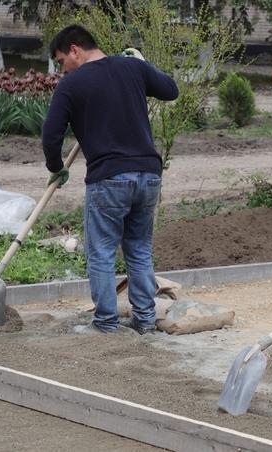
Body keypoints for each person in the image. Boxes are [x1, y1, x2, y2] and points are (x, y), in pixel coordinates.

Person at [42, 25, 179, 335]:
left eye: (62, 61)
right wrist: (143, 64)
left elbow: (51, 135)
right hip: (148, 175)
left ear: (75, 50)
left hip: (109, 179)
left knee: (102, 252)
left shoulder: (71, 85)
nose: (62, 70)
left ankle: (105, 324)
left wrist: (56, 167)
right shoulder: (131, 68)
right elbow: (171, 90)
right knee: (139, 250)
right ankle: (144, 321)